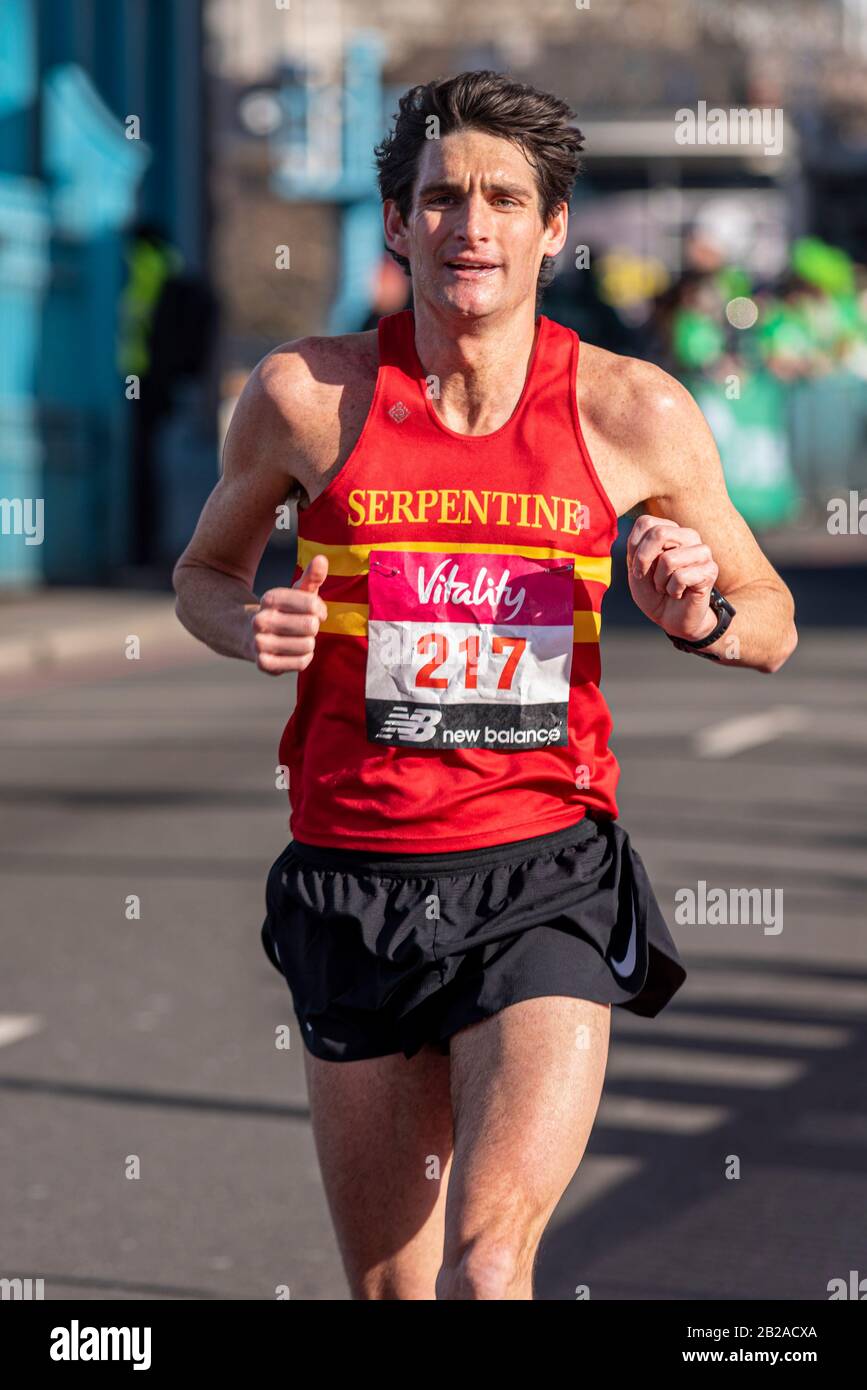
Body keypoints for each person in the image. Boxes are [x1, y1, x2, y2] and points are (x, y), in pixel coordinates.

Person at [172, 71, 797, 1301]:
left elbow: (770, 619)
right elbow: (203, 570)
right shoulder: (306, 398)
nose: (474, 227)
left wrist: (701, 611)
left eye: (506, 199)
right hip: (354, 875)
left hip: (542, 874)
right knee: (395, 1293)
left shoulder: (630, 410)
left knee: (489, 1264)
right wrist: (247, 625)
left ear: (554, 227)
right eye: (442, 198)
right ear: (399, 223)